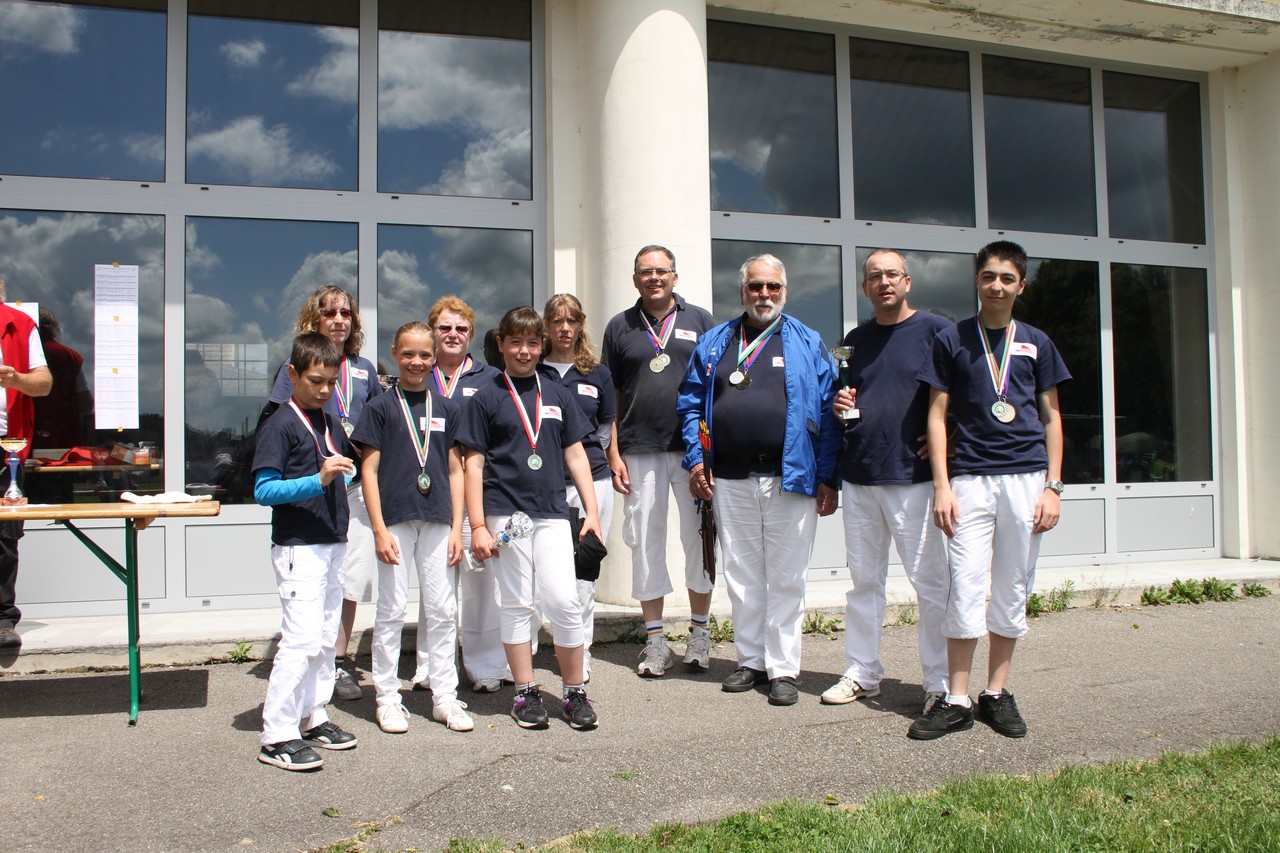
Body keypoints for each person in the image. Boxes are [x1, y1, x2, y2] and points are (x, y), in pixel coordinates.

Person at [910, 240, 1070, 740]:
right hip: (970, 480)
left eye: (1006, 278)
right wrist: (942, 485)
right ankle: (956, 699)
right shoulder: (953, 339)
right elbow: (936, 416)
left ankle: (995, 693)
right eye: (988, 277)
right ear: (976, 282)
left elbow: (1052, 417)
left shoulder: (1038, 342)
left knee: (1012, 588)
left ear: (1021, 285)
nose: (996, 286)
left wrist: (1053, 487)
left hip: (1026, 480)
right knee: (965, 585)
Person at [677, 254, 841, 705]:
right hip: (728, 478)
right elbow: (690, 405)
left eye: (772, 287)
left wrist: (828, 477)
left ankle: (784, 668)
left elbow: (829, 414)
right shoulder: (715, 342)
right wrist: (696, 462)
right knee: (743, 574)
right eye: (755, 287)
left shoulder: (809, 341)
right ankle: (750, 661)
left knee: (787, 576)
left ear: (784, 290)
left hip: (792, 477)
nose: (763, 295)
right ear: (743, 290)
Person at [457, 306, 604, 730]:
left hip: (553, 513)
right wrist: (479, 524)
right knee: (518, 602)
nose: (524, 351)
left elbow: (575, 453)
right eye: (516, 342)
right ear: (500, 344)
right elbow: (473, 464)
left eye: (533, 343)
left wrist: (591, 510)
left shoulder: (557, 392)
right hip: (506, 514)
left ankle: (574, 691)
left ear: (542, 347)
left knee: (563, 600)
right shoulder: (486, 395)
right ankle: (524, 692)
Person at [821, 250, 953, 714]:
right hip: (860, 476)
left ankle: (939, 682)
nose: (883, 283)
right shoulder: (855, 340)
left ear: (908, 281)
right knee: (863, 584)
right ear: (865, 288)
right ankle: (863, 671)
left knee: (930, 584)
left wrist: (949, 441)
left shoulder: (938, 331)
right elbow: (851, 398)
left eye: (891, 274)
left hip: (912, 478)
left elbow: (963, 394)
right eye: (874, 276)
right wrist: (840, 403)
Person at [601, 245, 716, 677]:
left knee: (698, 539)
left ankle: (700, 634)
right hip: (638, 449)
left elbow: (713, 388)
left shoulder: (700, 321)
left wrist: (710, 452)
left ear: (674, 276)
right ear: (635, 280)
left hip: (692, 452)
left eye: (661, 271)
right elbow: (610, 396)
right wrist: (613, 451)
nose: (653, 278)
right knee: (644, 543)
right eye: (645, 272)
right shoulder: (620, 326)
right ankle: (654, 642)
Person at [352, 322, 471, 734]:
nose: (417, 362)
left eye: (424, 354)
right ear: (395, 354)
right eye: (408, 354)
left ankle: (445, 697)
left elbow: (456, 470)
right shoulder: (380, 407)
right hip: (396, 521)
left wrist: (459, 528)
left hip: (440, 521)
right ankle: (387, 698)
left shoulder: (449, 408)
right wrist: (379, 529)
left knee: (441, 610)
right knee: (391, 609)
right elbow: (368, 471)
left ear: (435, 355)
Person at [266, 285, 383, 701]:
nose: (338, 319)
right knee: (314, 579)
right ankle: (311, 658)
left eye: (346, 313)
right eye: (329, 312)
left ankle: (337, 658)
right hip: (315, 484)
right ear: (314, 320)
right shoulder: (295, 366)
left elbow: (375, 423)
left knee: (348, 578)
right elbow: (286, 418)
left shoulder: (366, 368)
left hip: (353, 484)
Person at [252, 332, 360, 771]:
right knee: (298, 640)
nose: (324, 390)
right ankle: (276, 733)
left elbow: (343, 474)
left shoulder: (330, 421)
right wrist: (317, 481)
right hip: (299, 546)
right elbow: (263, 490)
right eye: (315, 380)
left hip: (332, 541)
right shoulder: (278, 424)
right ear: (292, 374)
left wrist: (348, 477)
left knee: (323, 638)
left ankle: (313, 715)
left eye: (331, 382)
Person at [427, 296, 510, 694]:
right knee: (437, 586)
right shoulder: (418, 374)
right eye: (445, 328)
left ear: (471, 335)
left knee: (480, 586)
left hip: (477, 495)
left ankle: (485, 666)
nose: (453, 335)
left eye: (461, 328)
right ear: (433, 332)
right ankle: (432, 667)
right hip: (432, 499)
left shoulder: (489, 377)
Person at [538, 294, 616, 682]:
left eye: (571, 321)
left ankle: (580, 651)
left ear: (581, 324)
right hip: (543, 484)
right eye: (557, 321)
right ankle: (533, 649)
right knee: (540, 570)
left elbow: (605, 428)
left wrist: (597, 463)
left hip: (592, 481)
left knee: (583, 570)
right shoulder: (533, 369)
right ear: (547, 326)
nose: (565, 328)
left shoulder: (597, 372)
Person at [0, 282, 53, 651]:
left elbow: (44, 384)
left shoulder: (19, 325)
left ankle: (3, 620)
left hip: (6, 450)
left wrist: (15, 378)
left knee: (4, 539)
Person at [33, 306, 92, 449]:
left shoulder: (21, 355)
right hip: (66, 438)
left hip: (30, 436)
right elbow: (86, 403)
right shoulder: (71, 357)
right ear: (53, 328)